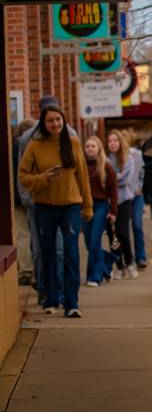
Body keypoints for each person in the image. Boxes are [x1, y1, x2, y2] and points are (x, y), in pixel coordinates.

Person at [19, 105, 93, 318]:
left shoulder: (73, 142)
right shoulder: (35, 145)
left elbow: (82, 177)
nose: (55, 124)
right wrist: (43, 179)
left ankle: (72, 303)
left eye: (58, 120)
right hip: (44, 207)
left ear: (63, 120)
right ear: (44, 123)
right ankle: (52, 299)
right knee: (48, 253)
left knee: (71, 253)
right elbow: (23, 177)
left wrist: (87, 206)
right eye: (50, 120)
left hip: (70, 206)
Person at [17, 96, 76, 305]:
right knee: (40, 251)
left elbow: (79, 172)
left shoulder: (71, 135)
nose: (53, 123)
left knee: (61, 250)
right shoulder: (28, 139)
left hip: (66, 203)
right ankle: (44, 289)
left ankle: (59, 292)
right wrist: (28, 200)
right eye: (48, 116)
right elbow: (22, 173)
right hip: (39, 203)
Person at [82, 137, 118, 287]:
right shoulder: (81, 166)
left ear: (99, 148)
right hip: (84, 207)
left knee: (95, 241)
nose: (90, 148)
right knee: (89, 244)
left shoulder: (106, 166)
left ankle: (94, 277)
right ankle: (108, 261)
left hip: (101, 206)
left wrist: (113, 212)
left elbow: (113, 191)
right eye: (87, 146)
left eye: (93, 146)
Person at [107, 130, 138, 279]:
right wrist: (113, 179)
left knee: (123, 233)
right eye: (110, 141)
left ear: (120, 142)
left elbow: (125, 180)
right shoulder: (105, 160)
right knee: (113, 237)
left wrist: (111, 178)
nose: (112, 143)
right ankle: (119, 266)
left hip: (124, 199)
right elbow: (102, 179)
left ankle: (130, 262)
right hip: (108, 202)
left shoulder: (128, 159)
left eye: (115, 140)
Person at [12, 118, 37, 286]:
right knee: (36, 234)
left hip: (16, 198)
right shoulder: (34, 145)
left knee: (22, 235)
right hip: (34, 196)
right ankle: (37, 270)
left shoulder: (12, 147)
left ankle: (26, 271)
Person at [126, 134, 147, 269]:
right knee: (123, 230)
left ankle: (141, 257)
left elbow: (144, 172)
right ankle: (128, 259)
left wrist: (141, 186)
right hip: (122, 197)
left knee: (137, 225)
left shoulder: (138, 154)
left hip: (136, 195)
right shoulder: (113, 156)